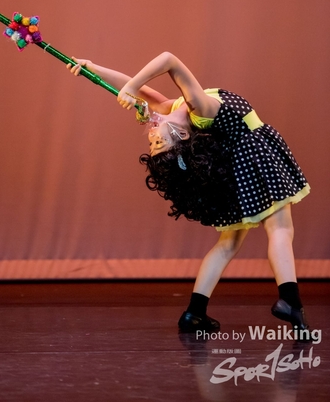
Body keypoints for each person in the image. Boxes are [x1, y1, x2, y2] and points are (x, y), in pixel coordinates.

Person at [67, 51, 311, 336]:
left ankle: (195, 312)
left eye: (152, 140)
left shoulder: (174, 108)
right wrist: (132, 88)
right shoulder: (200, 109)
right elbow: (169, 60)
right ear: (182, 135)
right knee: (280, 228)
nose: (152, 133)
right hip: (254, 159)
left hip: (238, 165)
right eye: (158, 141)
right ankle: (289, 301)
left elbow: (141, 90)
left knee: (229, 242)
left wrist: (93, 69)